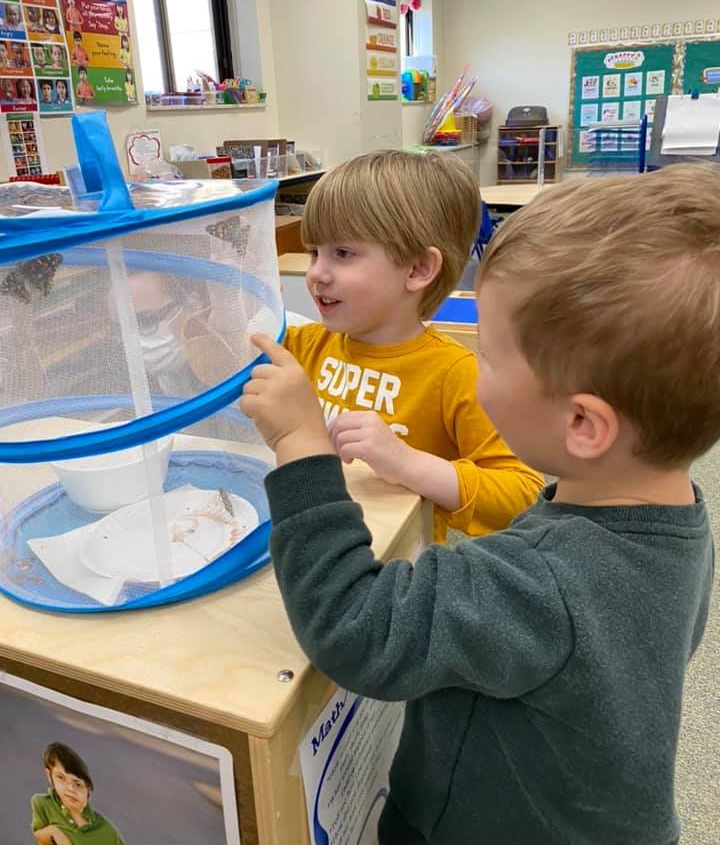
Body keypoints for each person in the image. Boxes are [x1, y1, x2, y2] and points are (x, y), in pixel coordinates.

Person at [241, 164, 717, 845]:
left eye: (489, 357)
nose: (474, 367)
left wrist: (301, 446)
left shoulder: (539, 580)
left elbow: (357, 629)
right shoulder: (674, 516)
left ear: (584, 425)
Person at [280, 151, 542, 543]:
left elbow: (525, 496)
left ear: (418, 269)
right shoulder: (305, 344)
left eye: (343, 253)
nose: (316, 272)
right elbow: (212, 372)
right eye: (314, 252)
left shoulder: (454, 373)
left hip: (399, 570)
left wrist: (407, 463)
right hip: (318, 545)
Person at [31, 741, 125, 845]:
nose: (70, 788)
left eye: (78, 784)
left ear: (88, 789)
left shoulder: (107, 831)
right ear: (49, 775)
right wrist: (53, 831)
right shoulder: (43, 804)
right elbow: (40, 838)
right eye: (61, 778)